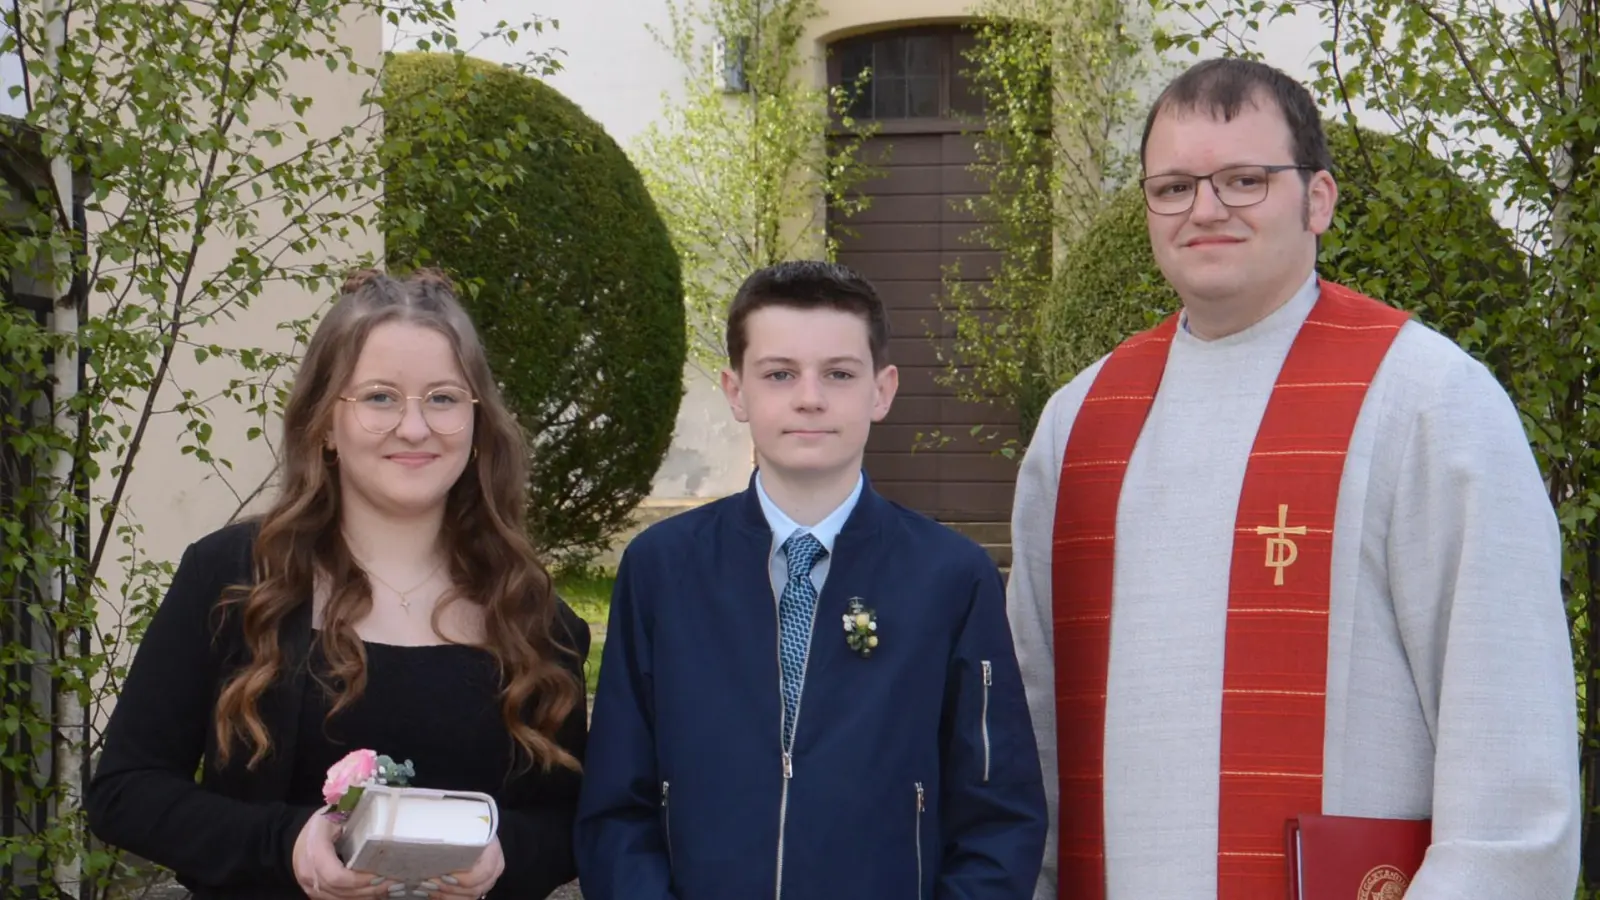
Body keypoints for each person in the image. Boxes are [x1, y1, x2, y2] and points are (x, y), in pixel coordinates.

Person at [1007, 57, 1581, 900]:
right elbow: (1033, 728)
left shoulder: (1427, 399)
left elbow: (1508, 755)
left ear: (1319, 199)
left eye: (1245, 179)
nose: (1205, 209)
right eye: (1173, 187)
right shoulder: (1078, 422)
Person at [87, 269, 590, 900]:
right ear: (325, 423)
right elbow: (125, 791)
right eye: (380, 397)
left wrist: (503, 855)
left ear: (478, 421)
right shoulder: (234, 580)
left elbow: (575, 819)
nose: (414, 427)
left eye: (442, 398)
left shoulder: (534, 614)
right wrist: (289, 846)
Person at [574, 260, 1047, 899]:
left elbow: (998, 814)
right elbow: (615, 803)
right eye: (779, 374)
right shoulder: (663, 568)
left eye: (839, 374)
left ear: (882, 391)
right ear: (736, 391)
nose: (810, 397)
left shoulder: (951, 577)